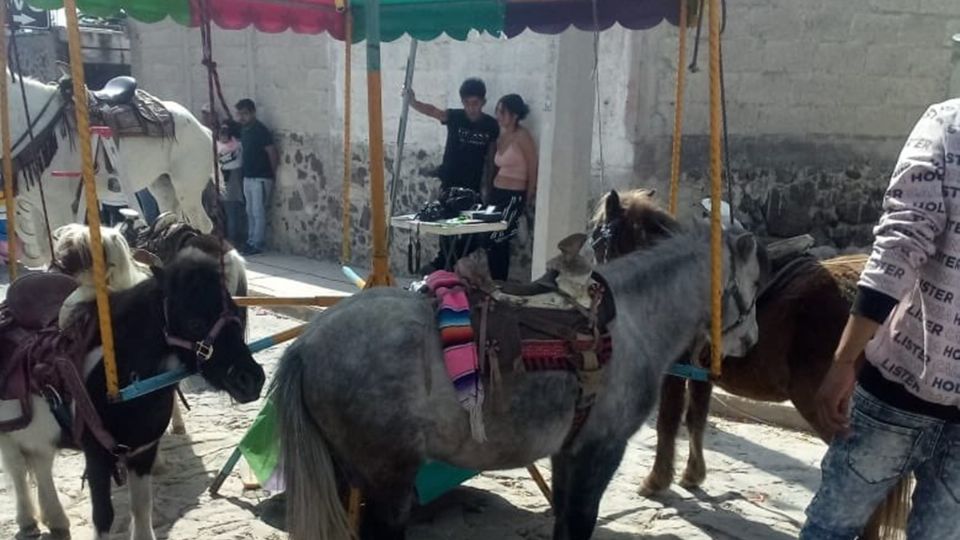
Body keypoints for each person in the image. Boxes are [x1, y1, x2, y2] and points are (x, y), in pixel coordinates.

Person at [800, 99, 960, 539]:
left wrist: (844, 360)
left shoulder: (947, 124)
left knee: (830, 530)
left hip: (897, 391)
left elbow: (898, 248)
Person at [406, 78, 500, 272]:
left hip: (472, 187)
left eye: (475, 103)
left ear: (483, 102)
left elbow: (491, 159)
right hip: (450, 184)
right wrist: (413, 102)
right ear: (462, 102)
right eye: (467, 103)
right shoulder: (455, 117)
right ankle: (444, 264)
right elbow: (433, 111)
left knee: (470, 233)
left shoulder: (491, 125)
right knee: (446, 228)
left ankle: (459, 266)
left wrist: (489, 187)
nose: (471, 108)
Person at [487, 94, 537, 281]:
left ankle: (501, 281)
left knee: (499, 236)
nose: (498, 116)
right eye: (497, 111)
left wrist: (528, 195)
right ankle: (494, 280)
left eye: (502, 112)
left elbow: (532, 166)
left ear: (514, 115)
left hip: (514, 195)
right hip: (497, 193)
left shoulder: (523, 136)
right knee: (489, 237)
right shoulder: (502, 135)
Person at [235, 98, 278, 255]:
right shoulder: (244, 130)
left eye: (245, 114)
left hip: (261, 177)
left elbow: (272, 152)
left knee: (258, 211)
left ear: (252, 113)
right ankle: (250, 240)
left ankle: (257, 243)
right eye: (239, 114)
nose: (242, 117)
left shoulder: (260, 130)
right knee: (250, 210)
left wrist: (272, 174)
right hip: (248, 177)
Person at [217, 120, 246, 247]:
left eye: (224, 133)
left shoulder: (217, 147)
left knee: (230, 214)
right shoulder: (239, 146)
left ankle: (231, 241)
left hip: (227, 183)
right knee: (233, 214)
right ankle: (233, 241)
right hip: (232, 183)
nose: (222, 136)